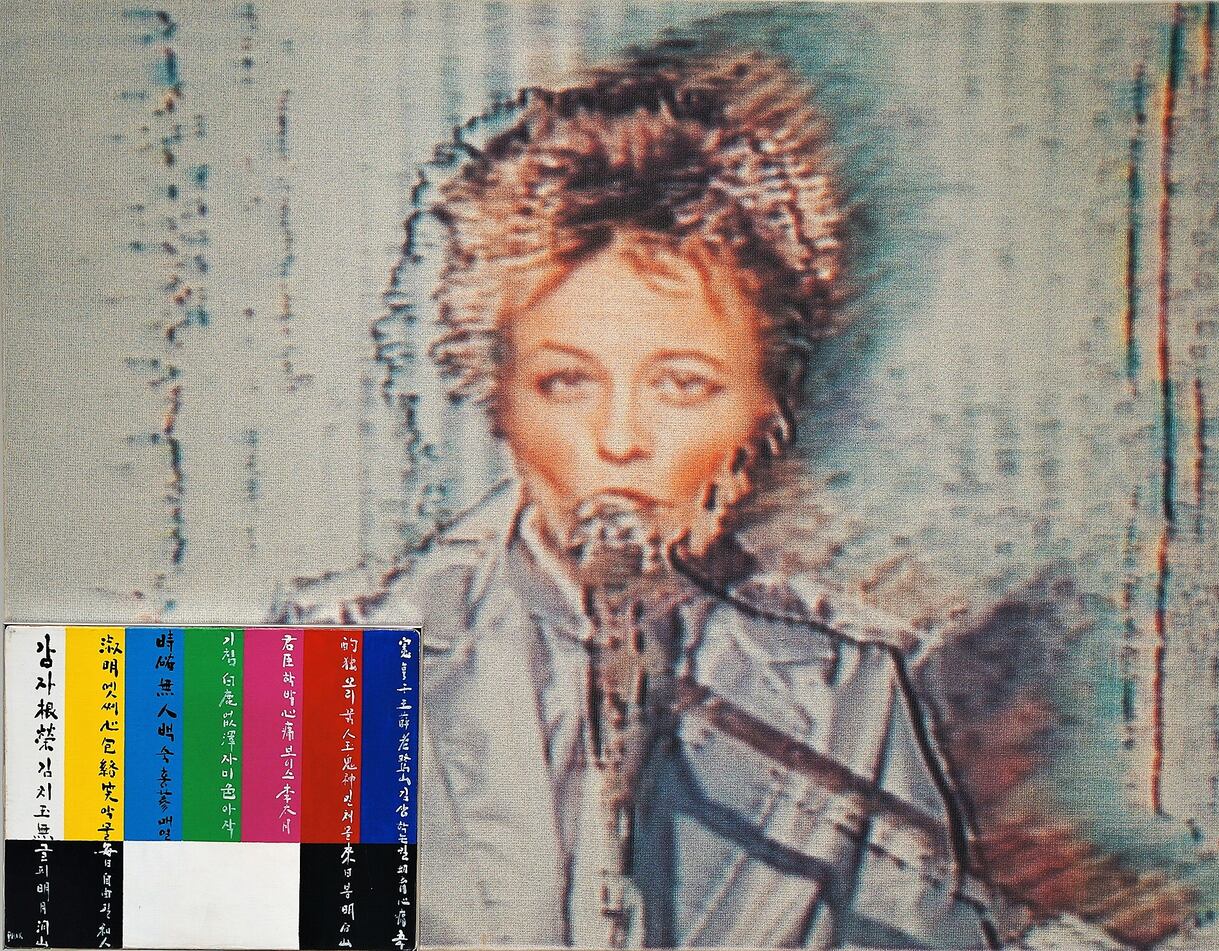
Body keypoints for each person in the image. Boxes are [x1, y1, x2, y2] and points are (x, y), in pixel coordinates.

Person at [279, 46, 1122, 950]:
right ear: (499, 396)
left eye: (681, 384)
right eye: (567, 381)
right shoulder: (326, 655)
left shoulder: (844, 689)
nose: (619, 440)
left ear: (765, 408)